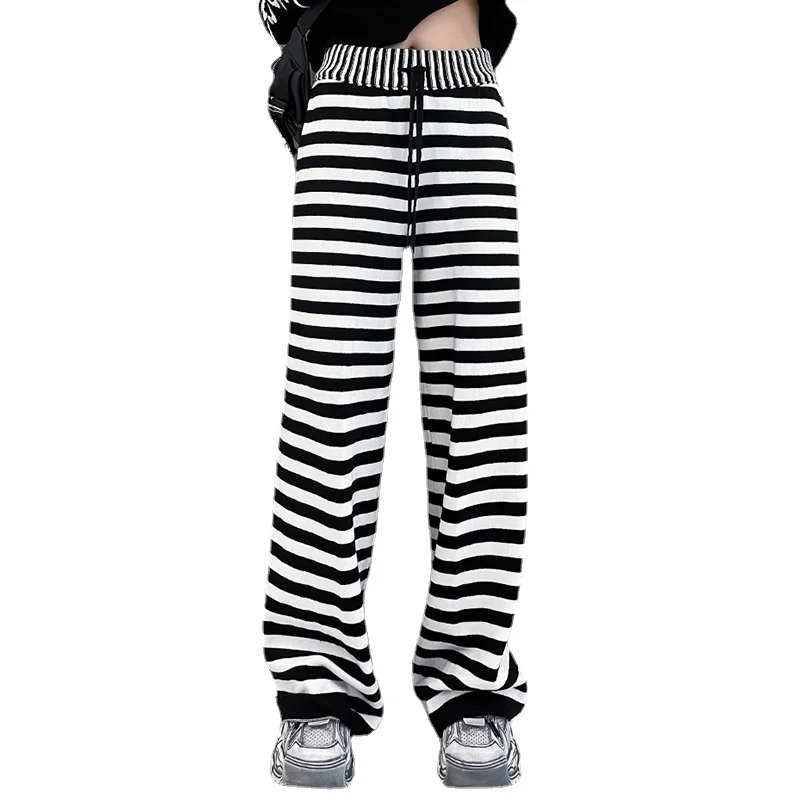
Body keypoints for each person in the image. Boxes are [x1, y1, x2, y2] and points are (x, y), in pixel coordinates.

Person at [258, 0, 526, 787]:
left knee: (483, 404)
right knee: (328, 401)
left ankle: (472, 680)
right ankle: (316, 685)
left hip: (466, 93)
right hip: (347, 97)